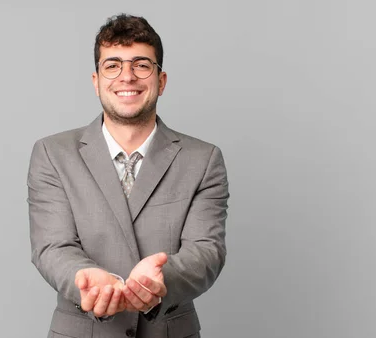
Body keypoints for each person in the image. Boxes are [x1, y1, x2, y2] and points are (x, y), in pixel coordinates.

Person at [27, 13, 229, 338]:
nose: (127, 77)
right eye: (113, 65)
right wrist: (87, 278)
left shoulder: (203, 160)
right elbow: (52, 246)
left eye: (141, 65)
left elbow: (206, 251)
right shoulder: (53, 154)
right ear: (96, 81)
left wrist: (161, 280)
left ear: (161, 81)